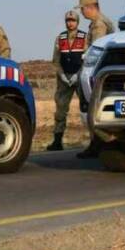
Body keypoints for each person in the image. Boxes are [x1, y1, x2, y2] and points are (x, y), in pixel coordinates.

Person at [76, 0, 115, 158]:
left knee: (90, 107)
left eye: (83, 9)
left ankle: (100, 143)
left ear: (90, 7)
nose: (82, 13)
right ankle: (98, 143)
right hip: (99, 73)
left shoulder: (99, 25)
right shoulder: (97, 23)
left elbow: (95, 50)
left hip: (95, 73)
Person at [46, 9, 86, 151]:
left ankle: (95, 142)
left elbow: (87, 60)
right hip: (64, 79)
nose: (70, 23)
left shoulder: (84, 37)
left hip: (80, 78)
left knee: (87, 108)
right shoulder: (60, 38)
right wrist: (62, 75)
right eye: (68, 21)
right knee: (60, 111)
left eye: (73, 20)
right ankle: (57, 141)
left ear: (77, 22)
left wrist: (78, 75)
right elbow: (56, 60)